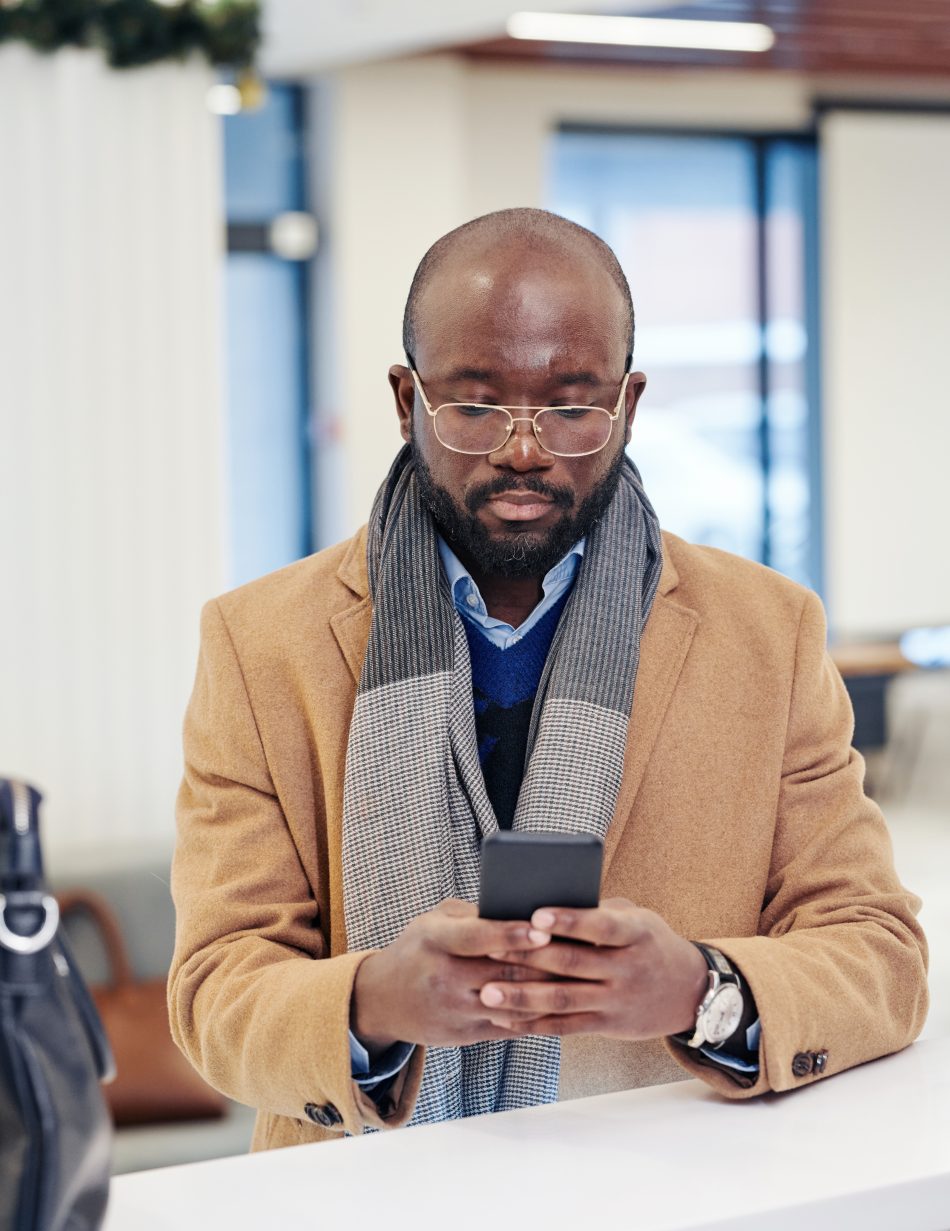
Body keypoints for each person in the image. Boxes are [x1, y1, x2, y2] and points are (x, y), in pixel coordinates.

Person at [169, 208, 928, 1149]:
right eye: (477, 405)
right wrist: (372, 1001)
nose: (524, 450)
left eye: (571, 407)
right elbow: (214, 989)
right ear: (405, 401)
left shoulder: (767, 632)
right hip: (365, 1210)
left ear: (628, 405)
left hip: (671, 1200)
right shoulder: (258, 643)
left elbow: (882, 957)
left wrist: (699, 988)